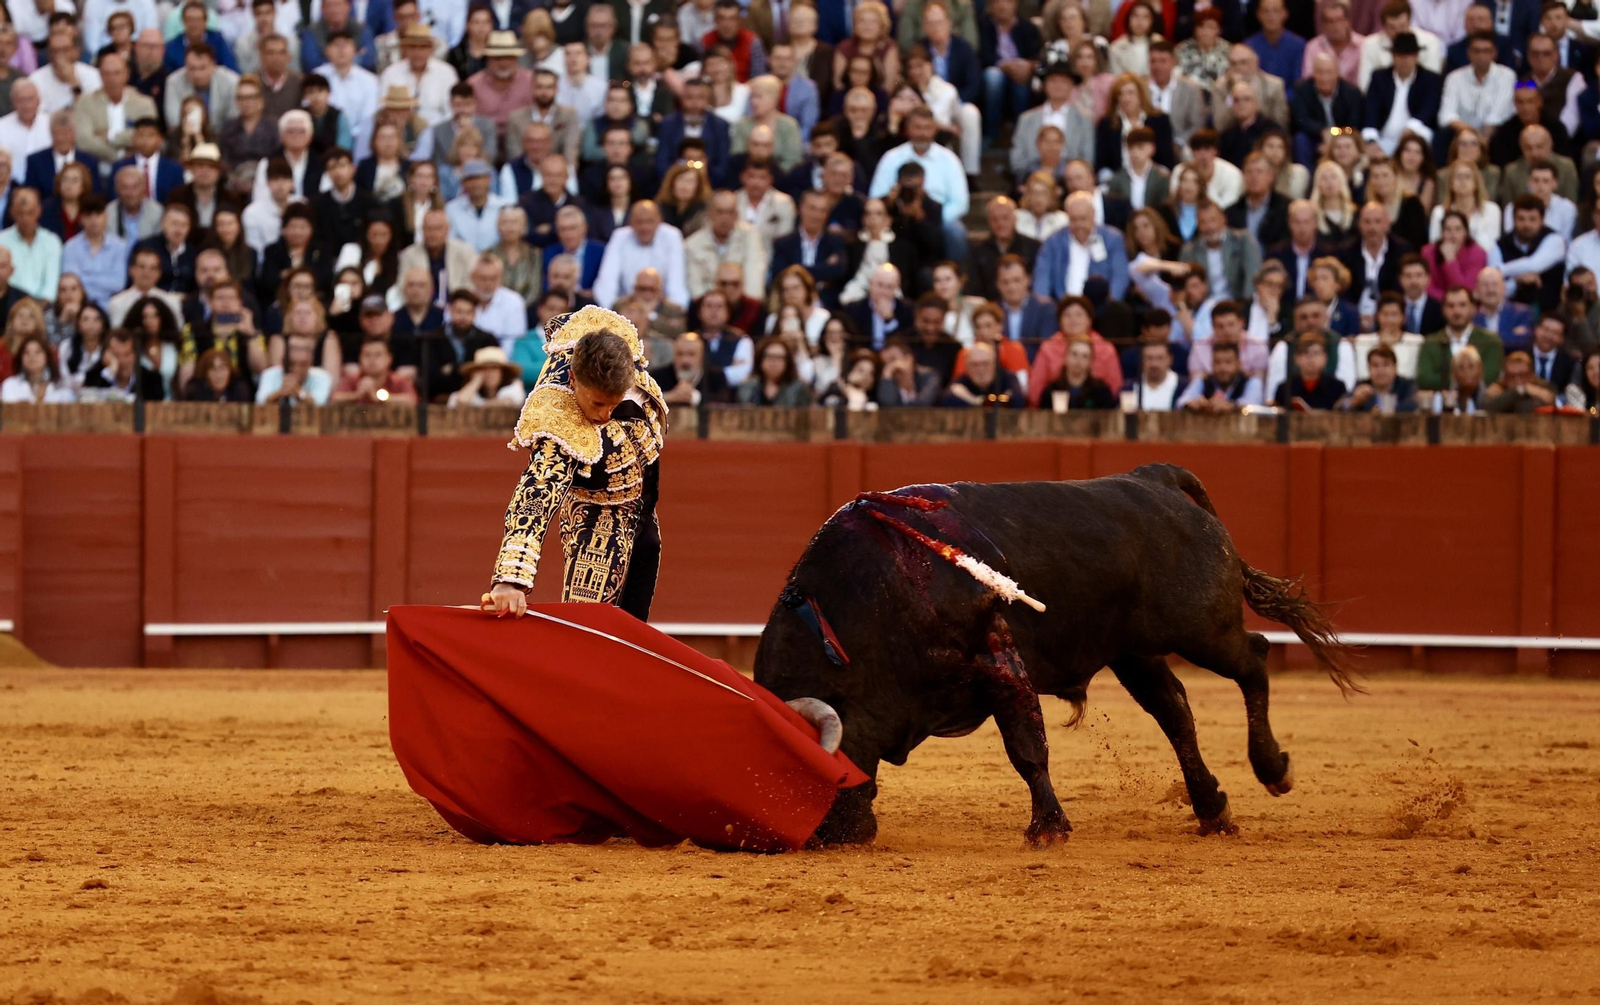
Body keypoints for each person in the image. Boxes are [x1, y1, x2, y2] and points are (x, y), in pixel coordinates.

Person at [483, 304, 665, 619]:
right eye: (597, 402)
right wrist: (511, 580)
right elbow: (535, 496)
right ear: (573, 379)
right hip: (595, 519)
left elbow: (563, 323)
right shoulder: (557, 421)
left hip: (645, 514)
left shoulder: (604, 340)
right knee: (588, 638)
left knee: (634, 641)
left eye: (615, 402)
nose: (605, 414)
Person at [1416, 284, 1501, 390]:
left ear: (1473, 308)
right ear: (1443, 310)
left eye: (1462, 305)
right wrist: (1466, 380)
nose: (1457, 311)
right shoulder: (1430, 342)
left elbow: (1491, 376)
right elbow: (1425, 379)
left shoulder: (1490, 341)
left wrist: (1453, 381)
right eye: (1451, 306)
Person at [1342, 342, 1417, 412]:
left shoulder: (1406, 386)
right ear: (1368, 369)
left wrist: (1382, 408)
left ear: (1395, 368)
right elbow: (1339, 407)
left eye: (1386, 365)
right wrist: (1353, 401)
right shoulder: (1361, 385)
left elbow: (1412, 406)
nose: (1380, 370)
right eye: (1375, 365)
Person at [1, 332, 74, 402]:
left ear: (47, 357)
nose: (32, 357)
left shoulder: (61, 388)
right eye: (27, 352)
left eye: (38, 352)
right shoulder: (10, 385)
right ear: (21, 357)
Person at [448, 345, 526, 407]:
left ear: (503, 372)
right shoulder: (473, 393)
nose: (489, 373)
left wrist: (476, 406)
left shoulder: (514, 386)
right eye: (484, 368)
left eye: (494, 368)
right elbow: (461, 401)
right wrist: (476, 381)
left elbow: (506, 403)